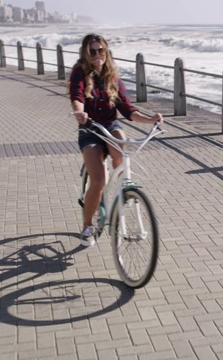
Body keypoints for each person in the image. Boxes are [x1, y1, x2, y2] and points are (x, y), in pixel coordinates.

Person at [69, 33, 163, 247]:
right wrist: (80, 112)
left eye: (101, 50)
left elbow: (127, 109)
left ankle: (124, 190)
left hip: (110, 125)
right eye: (92, 51)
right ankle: (87, 225)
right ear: (86, 52)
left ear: (106, 51)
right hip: (90, 128)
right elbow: (77, 96)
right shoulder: (80, 72)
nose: (97, 55)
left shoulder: (112, 76)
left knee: (122, 147)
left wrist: (150, 120)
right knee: (99, 180)